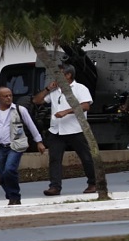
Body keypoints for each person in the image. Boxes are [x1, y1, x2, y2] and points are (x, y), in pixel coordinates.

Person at [0, 87, 46, 205]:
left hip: (15, 145)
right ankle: (11, 194)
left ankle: (14, 196)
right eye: (5, 96)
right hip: (0, 146)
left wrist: (39, 142)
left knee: (9, 169)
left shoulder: (19, 110)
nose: (9, 98)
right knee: (2, 175)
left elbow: (31, 126)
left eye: (10, 95)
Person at [31, 64, 97, 196]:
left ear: (68, 75)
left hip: (76, 129)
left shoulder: (80, 88)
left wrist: (67, 111)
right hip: (56, 130)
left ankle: (93, 183)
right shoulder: (55, 91)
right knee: (54, 159)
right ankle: (55, 186)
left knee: (86, 157)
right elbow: (36, 101)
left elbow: (85, 106)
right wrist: (47, 89)